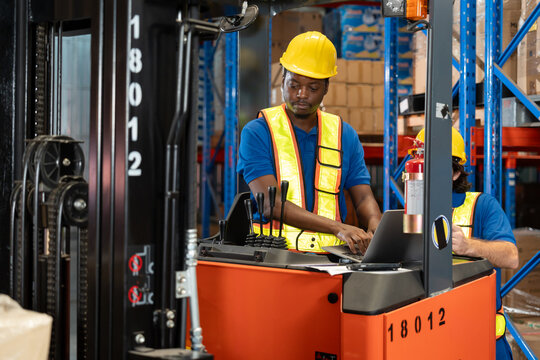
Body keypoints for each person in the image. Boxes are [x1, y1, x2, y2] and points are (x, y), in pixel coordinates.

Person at [237, 31, 381, 254]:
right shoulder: (258, 131)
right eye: (294, 85)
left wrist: (376, 229)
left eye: (313, 88)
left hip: (331, 259)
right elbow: (269, 203)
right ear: (282, 79)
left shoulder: (344, 134)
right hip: (272, 257)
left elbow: (363, 198)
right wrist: (338, 228)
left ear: (326, 88)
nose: (302, 94)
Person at [415, 127, 519, 360]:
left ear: (455, 172)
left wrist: (469, 246)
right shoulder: (412, 213)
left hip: (482, 342)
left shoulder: (482, 205)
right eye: (421, 164)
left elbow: (511, 256)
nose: (425, 172)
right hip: (430, 339)